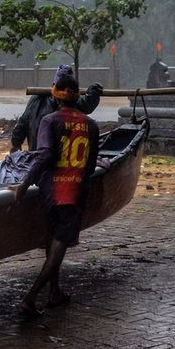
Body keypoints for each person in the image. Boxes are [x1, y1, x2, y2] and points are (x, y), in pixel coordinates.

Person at [9, 74, 100, 316]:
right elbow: (90, 166)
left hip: (50, 191)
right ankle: (30, 298)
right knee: (60, 244)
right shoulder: (91, 125)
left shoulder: (49, 121)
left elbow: (45, 155)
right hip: (73, 192)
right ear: (77, 96)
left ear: (56, 96)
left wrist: (25, 183)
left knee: (54, 239)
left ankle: (55, 291)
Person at [11, 64, 103, 152]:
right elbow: (22, 124)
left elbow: (86, 106)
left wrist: (92, 95)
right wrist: (16, 145)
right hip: (43, 156)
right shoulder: (39, 103)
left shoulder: (49, 115)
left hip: (46, 158)